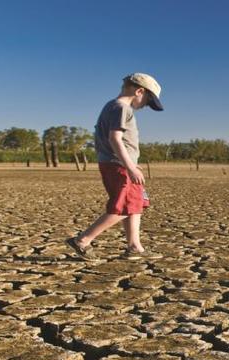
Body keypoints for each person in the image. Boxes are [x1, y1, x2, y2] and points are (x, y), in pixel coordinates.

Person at [66, 73, 164, 260]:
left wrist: (132, 164)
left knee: (135, 205)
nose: (145, 106)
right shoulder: (121, 108)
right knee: (123, 207)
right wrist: (129, 167)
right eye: (147, 100)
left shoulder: (111, 106)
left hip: (118, 164)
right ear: (139, 91)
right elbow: (115, 139)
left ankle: (135, 247)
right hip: (118, 165)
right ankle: (83, 240)